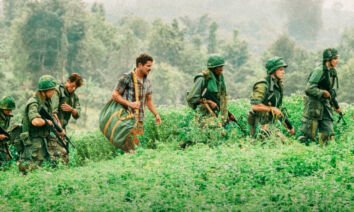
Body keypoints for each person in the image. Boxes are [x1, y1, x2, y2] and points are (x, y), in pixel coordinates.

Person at [109, 53, 161, 152]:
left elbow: (149, 101)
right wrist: (130, 104)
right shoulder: (127, 78)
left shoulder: (147, 82)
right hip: (126, 118)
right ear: (140, 65)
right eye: (148, 66)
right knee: (130, 149)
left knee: (136, 147)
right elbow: (115, 95)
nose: (150, 68)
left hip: (139, 120)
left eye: (151, 66)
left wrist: (156, 114)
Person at [19, 75, 66, 173]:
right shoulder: (34, 103)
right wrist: (46, 122)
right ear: (45, 91)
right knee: (29, 169)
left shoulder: (46, 102)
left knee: (57, 156)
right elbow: (35, 121)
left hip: (43, 138)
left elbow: (53, 116)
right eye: (52, 90)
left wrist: (60, 129)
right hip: (33, 141)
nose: (53, 92)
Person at [299, 48, 341, 144]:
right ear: (328, 59)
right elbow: (309, 89)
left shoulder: (332, 72)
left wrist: (336, 106)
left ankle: (324, 153)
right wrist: (322, 93)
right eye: (335, 58)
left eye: (337, 58)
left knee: (328, 135)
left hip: (325, 107)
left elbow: (330, 91)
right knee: (308, 136)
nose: (337, 61)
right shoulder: (319, 71)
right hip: (314, 107)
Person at [248, 56, 295, 139]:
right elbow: (255, 106)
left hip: (270, 124)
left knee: (285, 142)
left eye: (283, 69)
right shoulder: (262, 84)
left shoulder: (278, 86)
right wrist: (271, 109)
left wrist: (289, 127)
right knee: (280, 142)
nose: (283, 72)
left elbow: (278, 110)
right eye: (280, 69)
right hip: (259, 124)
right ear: (273, 71)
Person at [186, 54, 229, 126]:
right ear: (213, 68)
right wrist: (208, 102)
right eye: (219, 67)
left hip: (214, 113)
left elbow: (223, 96)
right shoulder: (202, 78)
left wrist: (225, 115)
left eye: (222, 66)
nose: (222, 69)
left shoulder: (220, 78)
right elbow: (191, 98)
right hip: (203, 112)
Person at [0, 96, 16, 165]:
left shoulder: (7, 116)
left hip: (2, 142)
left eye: (11, 110)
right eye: (8, 110)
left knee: (7, 161)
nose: (10, 112)